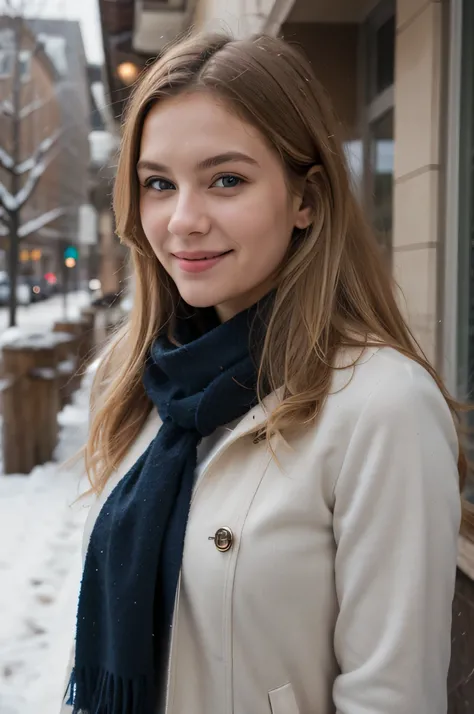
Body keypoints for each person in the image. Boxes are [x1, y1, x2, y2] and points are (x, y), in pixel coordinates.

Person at [62, 32, 464, 714]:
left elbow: (390, 697)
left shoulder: (381, 406)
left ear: (305, 199)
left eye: (227, 180)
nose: (183, 220)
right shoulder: (139, 385)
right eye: (159, 183)